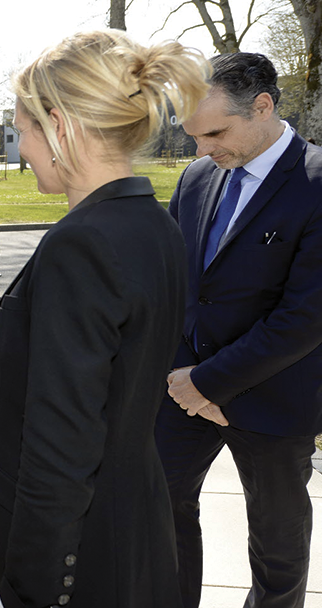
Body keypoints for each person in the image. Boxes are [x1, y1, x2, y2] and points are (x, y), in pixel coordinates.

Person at [0, 30, 209, 607]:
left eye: (21, 130)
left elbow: (62, 446)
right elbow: (99, 371)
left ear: (59, 127)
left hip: (79, 560)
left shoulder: (82, 243)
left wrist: (33, 588)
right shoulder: (154, 224)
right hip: (131, 527)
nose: (20, 147)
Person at [157, 52, 322, 608]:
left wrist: (209, 383)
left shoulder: (317, 182)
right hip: (182, 389)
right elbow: (178, 286)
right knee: (158, 508)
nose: (201, 149)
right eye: (193, 136)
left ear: (263, 106)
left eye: (215, 133)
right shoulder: (196, 177)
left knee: (277, 542)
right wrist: (185, 378)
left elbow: (305, 317)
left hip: (275, 396)